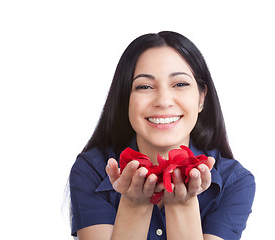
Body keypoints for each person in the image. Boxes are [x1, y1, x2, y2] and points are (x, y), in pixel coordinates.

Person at [69, 31, 255, 240]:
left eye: (180, 84)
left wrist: (182, 204)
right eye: (145, 86)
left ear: (202, 97)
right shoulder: (92, 169)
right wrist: (134, 204)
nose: (164, 101)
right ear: (125, 99)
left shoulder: (235, 182)